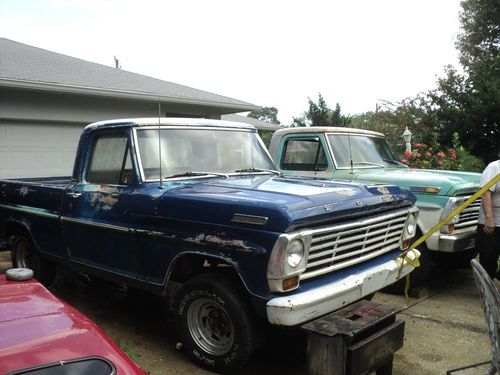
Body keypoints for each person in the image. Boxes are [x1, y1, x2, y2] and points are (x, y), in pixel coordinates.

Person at [476, 149, 500, 279]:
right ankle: (487, 289)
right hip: (492, 222)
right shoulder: (494, 167)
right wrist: (489, 218)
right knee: (488, 257)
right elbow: (485, 193)